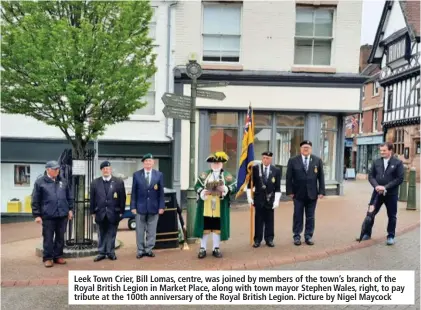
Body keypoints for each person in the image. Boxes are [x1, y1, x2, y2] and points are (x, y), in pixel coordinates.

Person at [194, 151, 237, 258]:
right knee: (205, 227)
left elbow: (234, 186)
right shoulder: (204, 175)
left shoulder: (227, 176)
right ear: (211, 164)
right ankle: (202, 248)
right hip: (206, 205)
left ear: (222, 164)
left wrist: (226, 188)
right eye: (214, 163)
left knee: (217, 227)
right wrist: (202, 192)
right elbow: (197, 186)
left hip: (219, 206)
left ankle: (215, 248)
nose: (216, 165)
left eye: (218, 163)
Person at [31, 160, 73, 268]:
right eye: (54, 169)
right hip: (48, 215)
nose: (57, 171)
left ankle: (58, 256)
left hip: (62, 215)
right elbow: (35, 199)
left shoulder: (63, 181)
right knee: (48, 238)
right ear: (47, 170)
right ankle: (48, 258)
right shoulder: (40, 182)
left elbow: (69, 197)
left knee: (60, 237)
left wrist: (70, 209)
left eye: (58, 169)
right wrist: (37, 215)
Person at [286, 140, 325, 246]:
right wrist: (289, 191)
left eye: (308, 147)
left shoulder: (317, 160)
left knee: (310, 217)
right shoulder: (293, 160)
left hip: (312, 194)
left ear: (311, 149)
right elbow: (289, 177)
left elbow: (321, 177)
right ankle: (297, 236)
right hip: (298, 194)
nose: (306, 149)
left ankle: (308, 236)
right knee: (298, 216)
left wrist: (321, 191)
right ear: (300, 149)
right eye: (304, 147)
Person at [364, 142, 404, 245]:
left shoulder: (398, 163)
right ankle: (366, 233)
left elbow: (399, 179)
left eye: (384, 150)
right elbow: (371, 176)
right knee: (370, 213)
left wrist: (385, 187)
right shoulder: (376, 162)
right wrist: (376, 186)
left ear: (390, 150)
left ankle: (390, 236)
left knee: (392, 216)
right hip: (377, 193)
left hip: (391, 194)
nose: (382, 152)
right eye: (380, 150)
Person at [90, 161, 126, 262]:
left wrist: (122, 211)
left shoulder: (118, 182)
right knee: (101, 233)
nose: (106, 170)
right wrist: (92, 212)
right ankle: (101, 252)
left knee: (112, 233)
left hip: (114, 212)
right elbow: (92, 198)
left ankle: (110, 252)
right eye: (104, 169)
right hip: (100, 212)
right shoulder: (95, 182)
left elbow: (122, 198)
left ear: (111, 170)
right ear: (101, 170)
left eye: (108, 168)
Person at [130, 153, 165, 258]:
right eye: (146, 161)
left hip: (154, 207)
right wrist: (133, 207)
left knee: (152, 230)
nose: (148, 163)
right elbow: (134, 192)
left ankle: (149, 249)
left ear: (153, 163)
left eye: (150, 161)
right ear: (143, 163)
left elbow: (161, 192)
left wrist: (161, 206)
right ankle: (140, 250)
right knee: (140, 230)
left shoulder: (159, 175)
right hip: (140, 207)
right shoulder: (136, 175)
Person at [246, 151, 281, 248]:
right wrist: (249, 197)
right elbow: (250, 185)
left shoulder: (276, 170)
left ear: (271, 159)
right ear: (262, 158)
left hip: (270, 199)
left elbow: (277, 187)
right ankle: (257, 239)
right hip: (259, 198)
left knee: (270, 220)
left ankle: (269, 239)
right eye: (264, 158)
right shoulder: (255, 169)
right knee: (258, 220)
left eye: (268, 158)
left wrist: (276, 200)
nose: (265, 160)